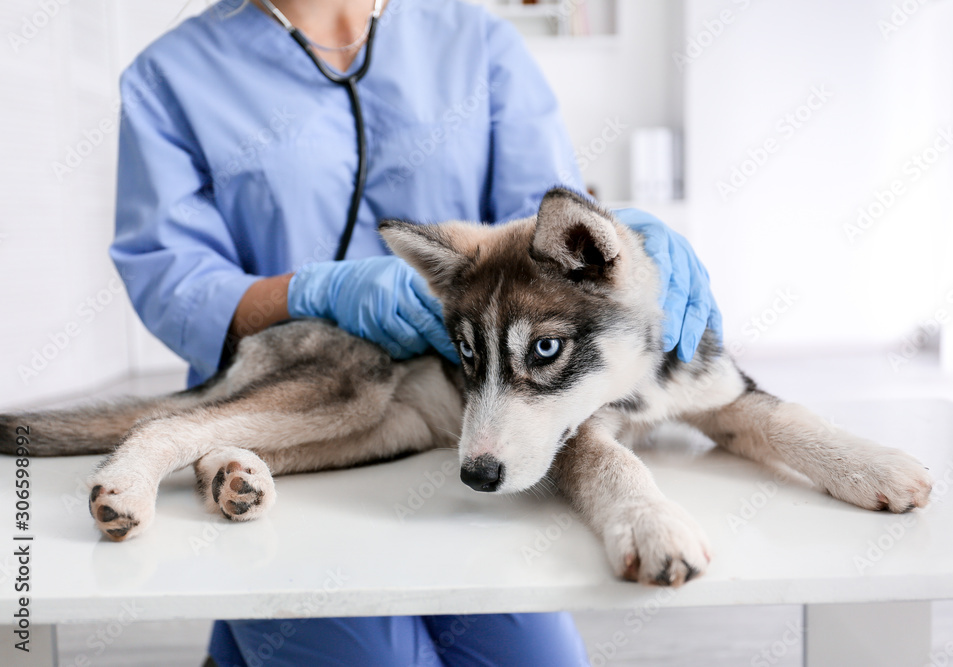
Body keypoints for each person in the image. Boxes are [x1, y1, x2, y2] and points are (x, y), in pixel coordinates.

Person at [111, 0, 721, 665]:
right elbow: (172, 282)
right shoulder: (170, 75)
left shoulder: (476, 41)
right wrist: (314, 290)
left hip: (460, 426)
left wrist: (629, 255)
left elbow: (547, 242)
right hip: (291, 427)